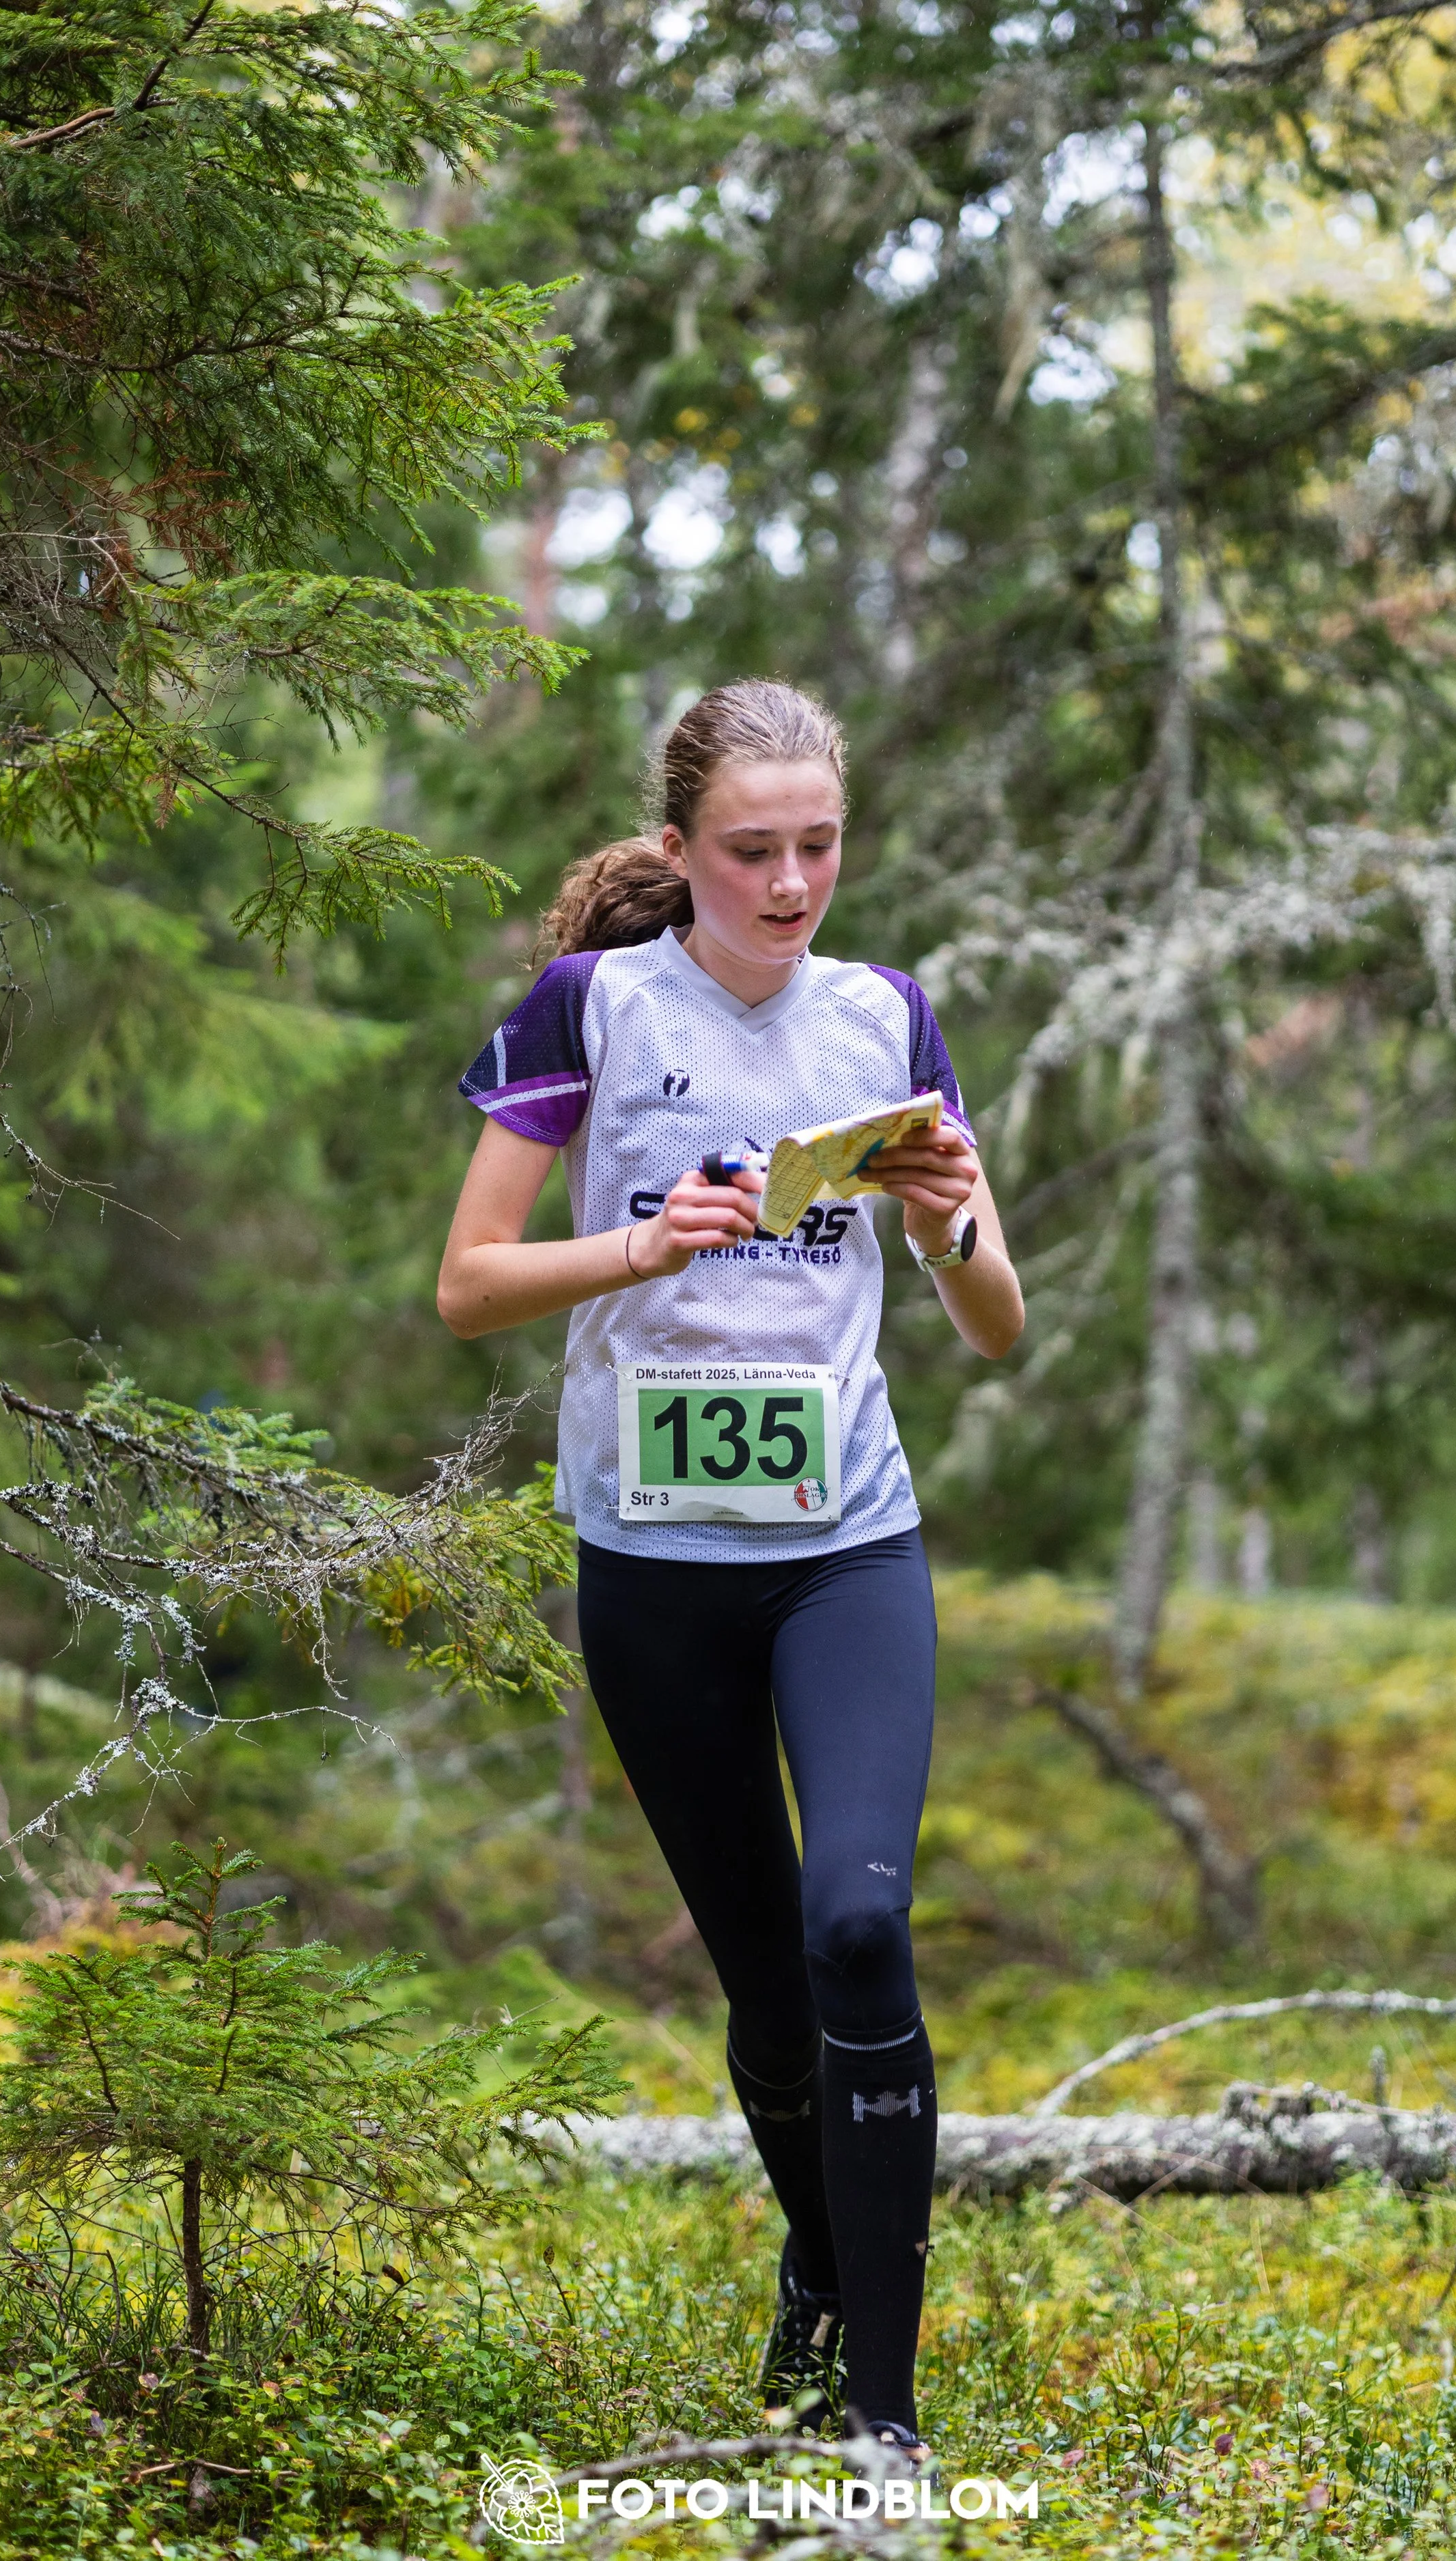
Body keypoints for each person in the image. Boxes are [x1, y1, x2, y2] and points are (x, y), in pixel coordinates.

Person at [438, 680, 1023, 2452]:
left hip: (848, 1540)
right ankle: (820, 2265)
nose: (788, 883)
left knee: (857, 1924)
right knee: (767, 1991)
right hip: (653, 1561)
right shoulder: (592, 1006)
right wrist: (638, 1243)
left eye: (817, 846)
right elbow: (467, 1281)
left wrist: (947, 1219)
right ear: (680, 846)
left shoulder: (883, 1016)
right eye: (751, 850)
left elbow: (994, 1325)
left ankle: (884, 2423)